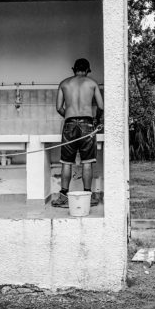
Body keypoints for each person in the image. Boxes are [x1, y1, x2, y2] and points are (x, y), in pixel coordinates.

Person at [52, 58, 104, 208]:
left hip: (69, 124)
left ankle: (63, 197)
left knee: (66, 162)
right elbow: (101, 106)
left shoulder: (64, 84)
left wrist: (69, 117)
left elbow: (58, 108)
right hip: (87, 124)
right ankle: (88, 196)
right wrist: (96, 119)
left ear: (73, 69)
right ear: (87, 70)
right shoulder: (92, 83)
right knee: (87, 162)